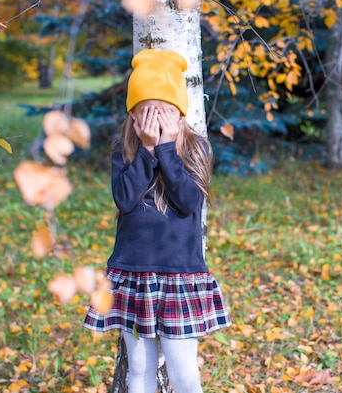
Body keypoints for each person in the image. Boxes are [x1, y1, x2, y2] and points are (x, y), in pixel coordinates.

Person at [83, 49, 231, 393]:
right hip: (134, 273)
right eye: (146, 111)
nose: (156, 118)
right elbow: (125, 199)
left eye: (164, 111)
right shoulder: (125, 150)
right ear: (133, 115)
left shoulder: (196, 148)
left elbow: (189, 201)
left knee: (183, 373)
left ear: (180, 114)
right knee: (140, 370)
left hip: (180, 274)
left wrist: (166, 149)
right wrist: (147, 151)